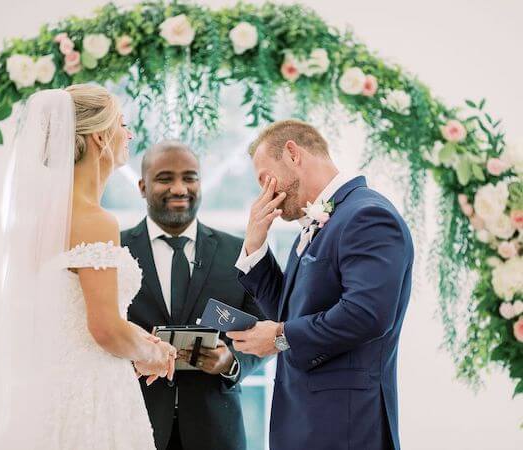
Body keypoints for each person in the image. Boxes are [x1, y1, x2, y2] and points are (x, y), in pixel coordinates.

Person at [0, 85, 176, 449]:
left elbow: (72, 315)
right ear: (100, 137)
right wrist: (155, 354)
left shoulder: (40, 222)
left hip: (51, 388)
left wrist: (145, 341)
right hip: (94, 391)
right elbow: (105, 328)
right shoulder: (95, 220)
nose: (130, 134)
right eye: (122, 124)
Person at [227, 120, 414, 450]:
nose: (264, 192)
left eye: (264, 177)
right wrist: (255, 247)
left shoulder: (367, 215)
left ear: (292, 153)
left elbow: (366, 315)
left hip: (346, 428)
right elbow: (292, 313)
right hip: (307, 425)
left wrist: (281, 336)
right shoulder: (318, 223)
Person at [121, 140, 267, 450]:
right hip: (132, 423)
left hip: (215, 429)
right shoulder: (114, 251)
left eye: (189, 177)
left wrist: (231, 361)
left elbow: (268, 329)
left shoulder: (238, 252)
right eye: (165, 178)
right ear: (142, 186)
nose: (179, 188)